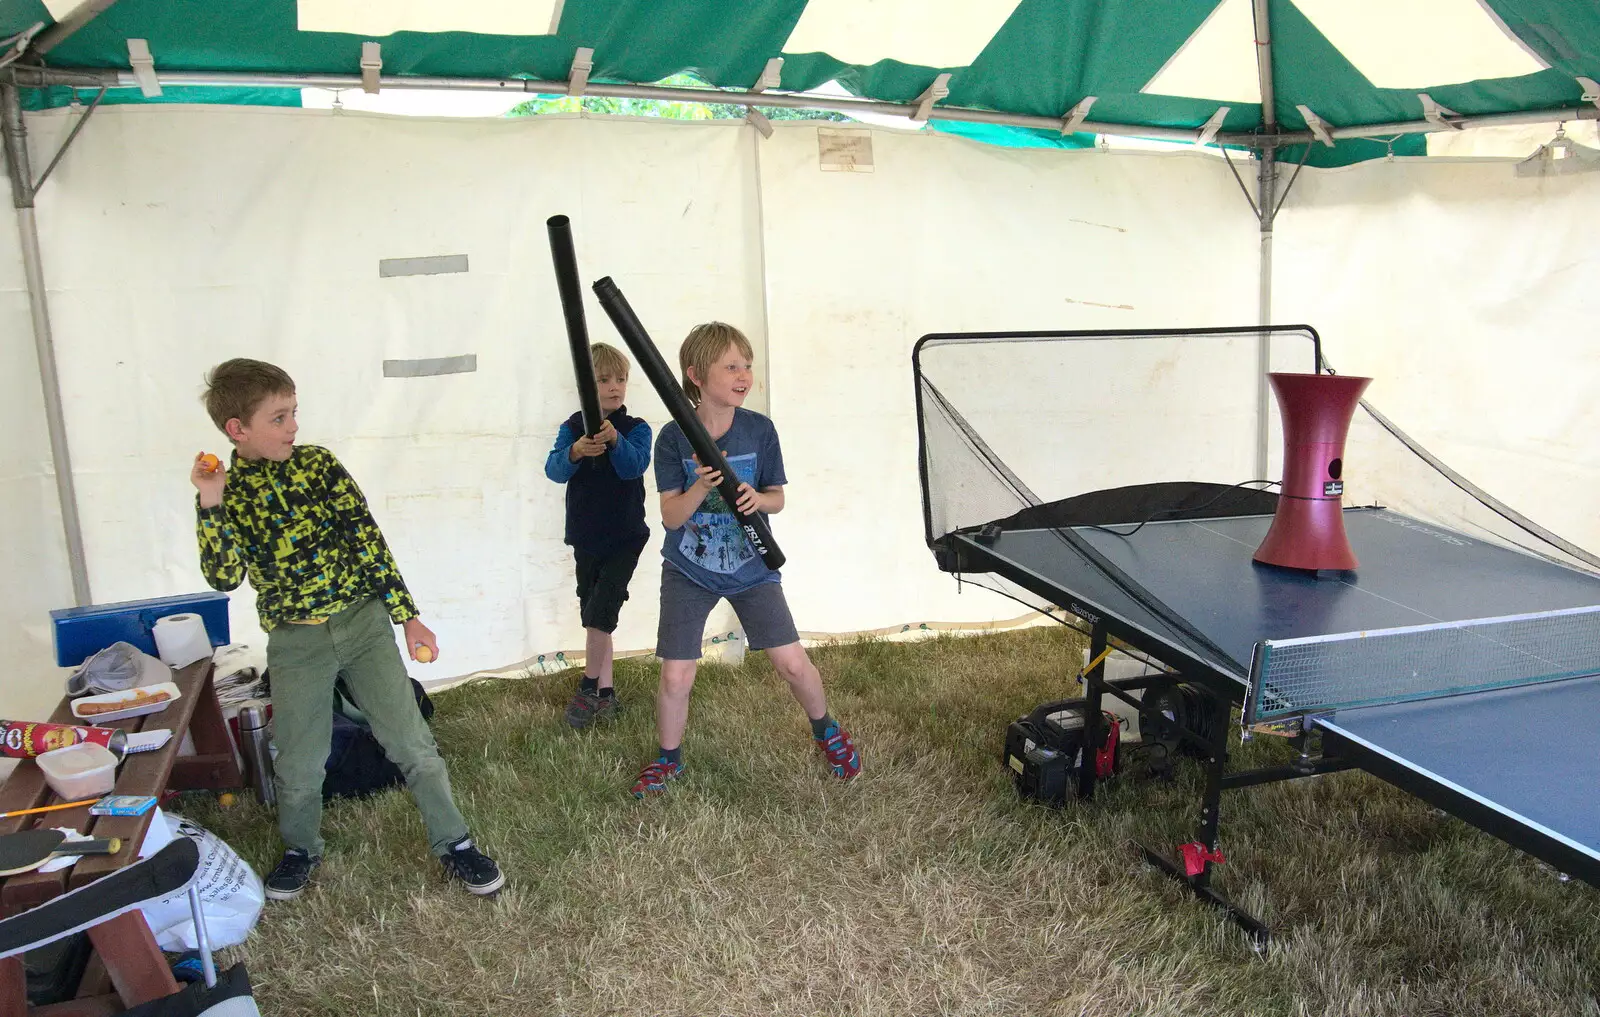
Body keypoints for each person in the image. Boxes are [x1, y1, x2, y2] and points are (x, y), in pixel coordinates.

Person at [190, 358, 503, 900]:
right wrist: (210, 500)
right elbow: (223, 576)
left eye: (294, 413)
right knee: (299, 755)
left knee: (410, 739)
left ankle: (455, 842)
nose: (293, 427)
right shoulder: (229, 494)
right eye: (279, 417)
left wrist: (408, 617)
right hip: (296, 641)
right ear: (236, 429)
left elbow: (367, 540)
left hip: (362, 623)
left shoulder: (318, 465)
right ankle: (301, 848)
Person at [633, 322, 861, 797]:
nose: (743, 375)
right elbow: (672, 517)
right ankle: (667, 760)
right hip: (688, 569)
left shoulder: (760, 429)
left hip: (752, 567)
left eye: (747, 365)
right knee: (676, 674)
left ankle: (827, 732)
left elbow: (777, 498)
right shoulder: (673, 439)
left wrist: (758, 498)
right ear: (696, 374)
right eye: (731, 366)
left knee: (792, 663)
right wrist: (701, 485)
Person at [544, 342, 653, 728]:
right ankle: (606, 695)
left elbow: (633, 466)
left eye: (620, 379)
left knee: (602, 608)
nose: (614, 387)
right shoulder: (572, 428)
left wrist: (613, 441)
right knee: (593, 612)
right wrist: (575, 451)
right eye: (604, 379)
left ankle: (588, 685)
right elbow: (554, 470)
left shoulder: (636, 428)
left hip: (625, 535)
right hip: (586, 534)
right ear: (585, 385)